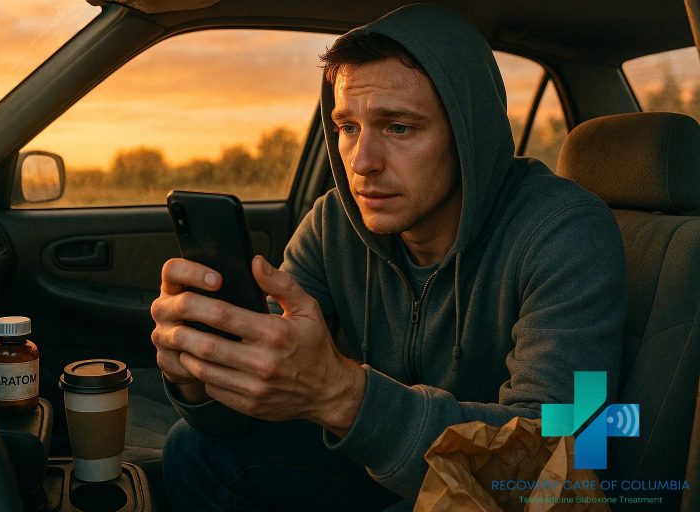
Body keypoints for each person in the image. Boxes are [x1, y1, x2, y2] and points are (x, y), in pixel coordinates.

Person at [151, 4, 626, 511]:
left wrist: (341, 394)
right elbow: (257, 394)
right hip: (376, 464)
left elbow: (561, 457)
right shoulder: (334, 222)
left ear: (471, 137)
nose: (361, 163)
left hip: (491, 494)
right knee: (194, 449)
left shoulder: (570, 234)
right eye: (348, 127)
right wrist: (202, 372)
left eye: (399, 128)